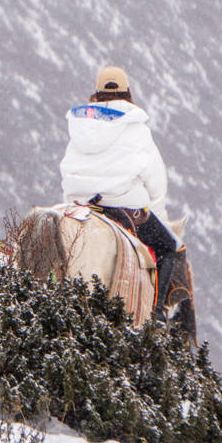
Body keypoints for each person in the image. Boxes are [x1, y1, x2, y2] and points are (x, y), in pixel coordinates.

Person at [59, 66, 185, 315]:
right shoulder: (137, 128)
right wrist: (157, 214)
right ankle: (156, 316)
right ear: (128, 93)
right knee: (168, 248)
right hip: (124, 209)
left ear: (96, 93)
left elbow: (67, 170)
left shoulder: (80, 128)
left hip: (79, 207)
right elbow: (156, 183)